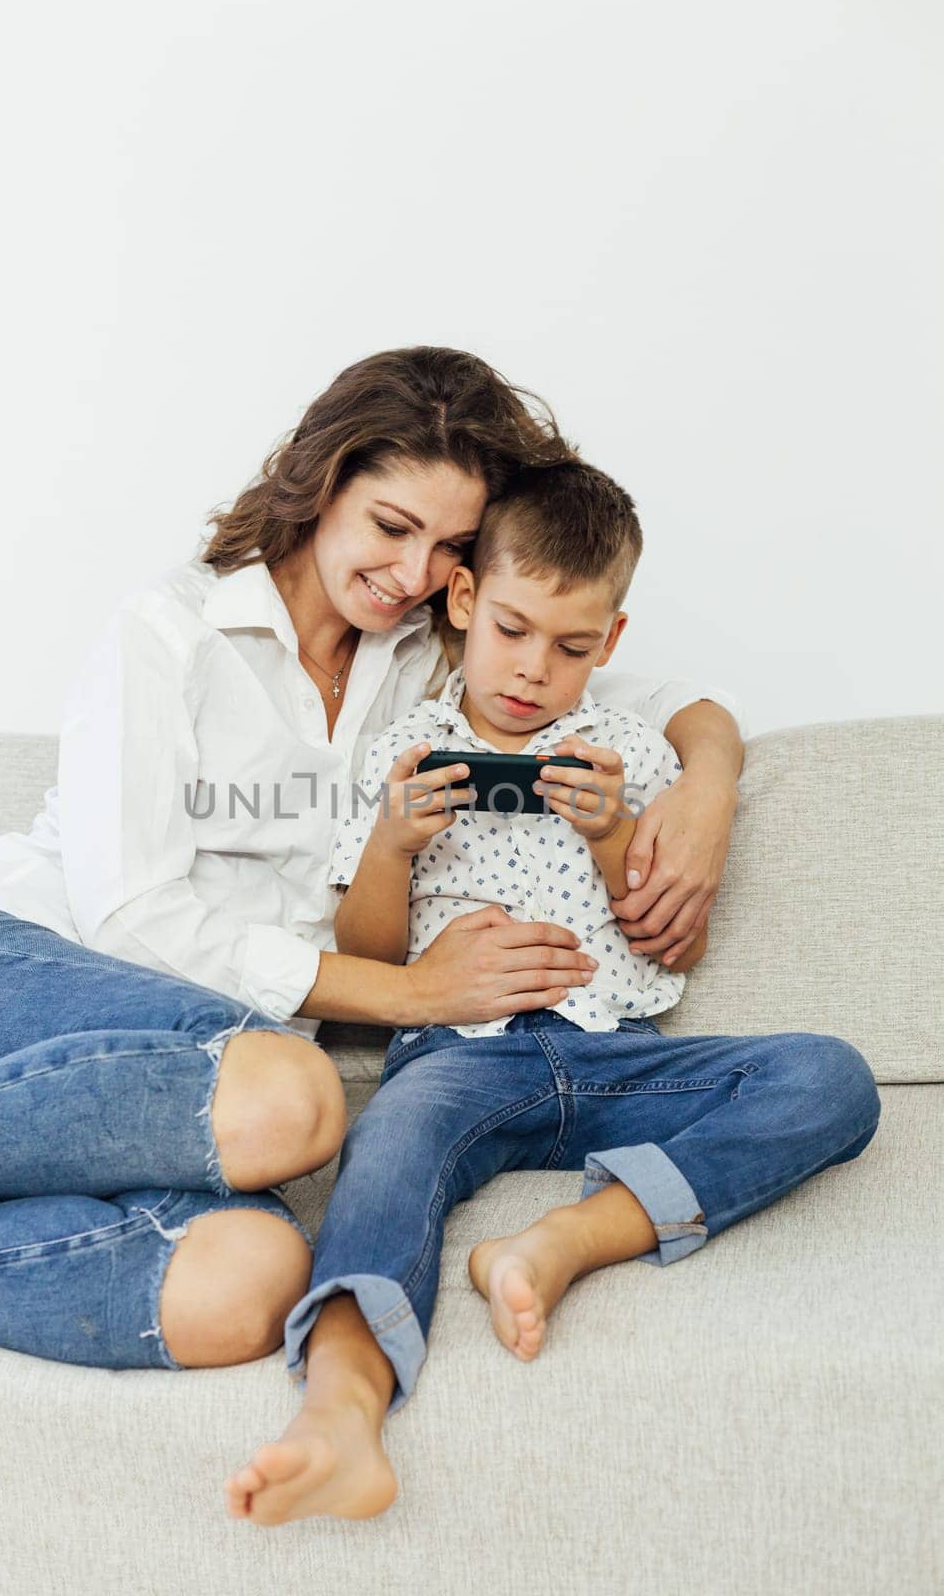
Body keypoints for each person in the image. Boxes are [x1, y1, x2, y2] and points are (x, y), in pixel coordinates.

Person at [0, 347, 742, 1384]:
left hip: (197, 1082)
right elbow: (129, 919)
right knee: (294, 1096)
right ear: (321, 480)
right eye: (389, 525)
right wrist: (405, 991)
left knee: (249, 1278)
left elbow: (628, 693)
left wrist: (707, 786)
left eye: (448, 547)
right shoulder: (170, 632)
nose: (413, 572)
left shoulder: (428, 658)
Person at [226, 459, 881, 1527]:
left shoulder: (626, 751)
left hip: (617, 1053)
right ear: (467, 602)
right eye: (514, 631)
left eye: (572, 647)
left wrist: (617, 830)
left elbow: (672, 943)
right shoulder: (403, 748)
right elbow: (365, 960)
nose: (534, 671)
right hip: (456, 1062)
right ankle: (342, 1407)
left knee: (830, 1076)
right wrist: (391, 844)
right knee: (387, 1142)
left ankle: (564, 1240)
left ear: (610, 643)